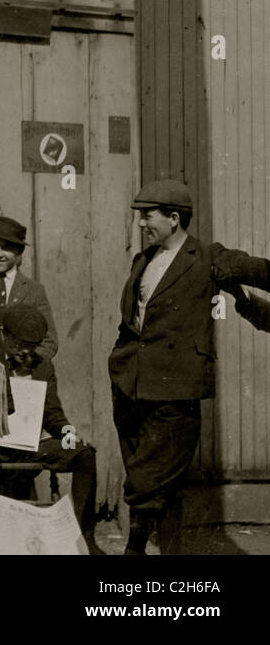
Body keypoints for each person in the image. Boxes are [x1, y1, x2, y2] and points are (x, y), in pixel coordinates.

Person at [109, 179, 270, 555]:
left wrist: (245, 298)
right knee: (159, 483)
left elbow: (259, 270)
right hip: (130, 387)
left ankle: (133, 551)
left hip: (175, 390)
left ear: (174, 218)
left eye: (147, 216)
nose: (141, 224)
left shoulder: (208, 257)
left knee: (148, 480)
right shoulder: (142, 261)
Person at [0, 304, 103, 554]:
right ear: (5, 335)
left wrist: (66, 430)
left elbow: (52, 412)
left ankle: (82, 536)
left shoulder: (42, 366)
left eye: (31, 346)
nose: (25, 351)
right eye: (19, 344)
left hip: (34, 444)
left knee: (84, 453)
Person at [0, 215, 58, 362]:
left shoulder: (34, 290)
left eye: (6, 248)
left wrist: (25, 364)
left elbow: (50, 341)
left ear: (19, 251)